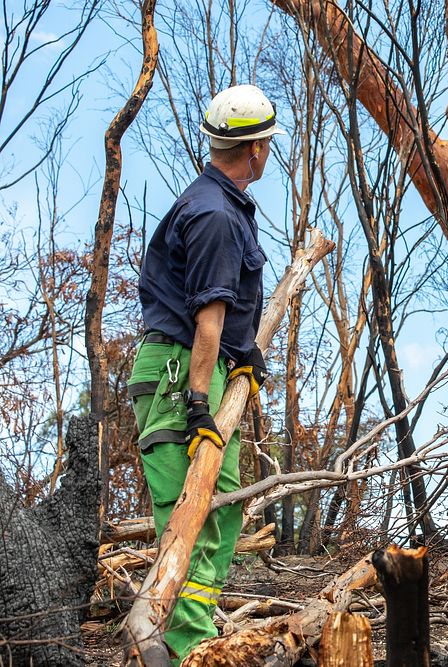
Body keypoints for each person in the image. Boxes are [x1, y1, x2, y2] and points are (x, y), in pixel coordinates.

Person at [127, 84, 282, 660]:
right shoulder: (216, 215)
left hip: (209, 366)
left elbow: (225, 326)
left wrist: (244, 354)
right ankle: (185, 645)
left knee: (225, 502)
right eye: (266, 143)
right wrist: (197, 405)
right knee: (189, 510)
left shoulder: (222, 204)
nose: (268, 152)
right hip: (181, 370)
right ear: (256, 149)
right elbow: (206, 323)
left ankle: (195, 635)